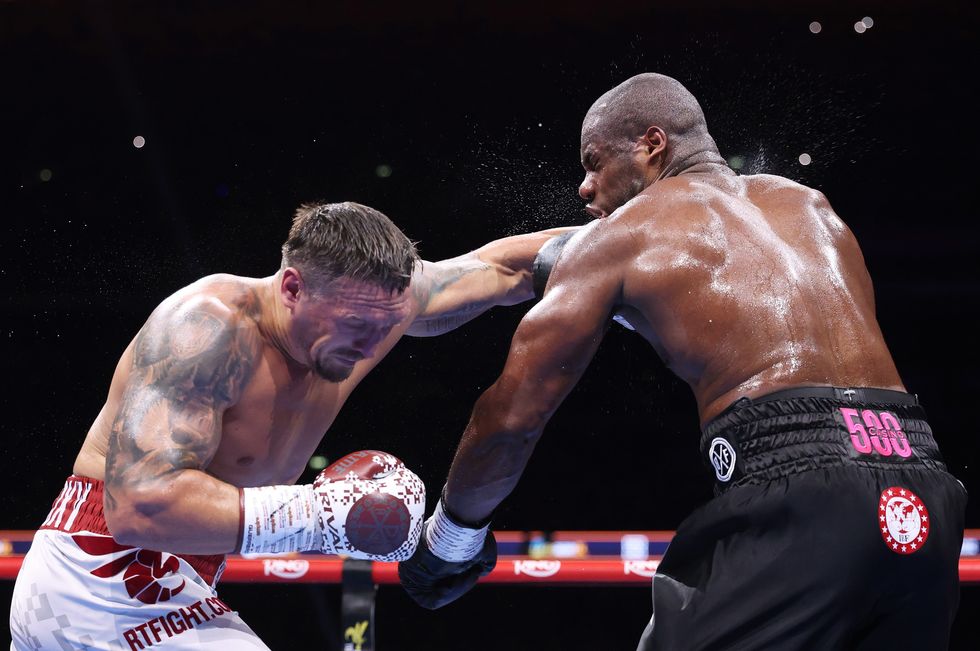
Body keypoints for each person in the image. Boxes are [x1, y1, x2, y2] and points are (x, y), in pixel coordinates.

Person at [399, 73, 968, 649]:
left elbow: (511, 420)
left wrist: (452, 539)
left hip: (801, 497)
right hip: (924, 488)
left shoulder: (621, 237)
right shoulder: (811, 207)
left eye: (594, 163)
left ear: (652, 145)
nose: (583, 186)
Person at [9, 200, 574, 650]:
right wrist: (326, 516)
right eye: (356, 325)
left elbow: (510, 267)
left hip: (173, 577)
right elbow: (138, 507)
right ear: (292, 287)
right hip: (98, 575)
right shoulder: (207, 329)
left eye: (391, 325)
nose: (372, 345)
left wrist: (648, 220)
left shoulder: (375, 311)